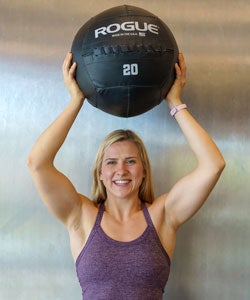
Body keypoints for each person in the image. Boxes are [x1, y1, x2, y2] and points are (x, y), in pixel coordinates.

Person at [27, 52, 225, 299]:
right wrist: (76, 101)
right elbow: (37, 163)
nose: (121, 170)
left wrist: (175, 103)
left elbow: (213, 165)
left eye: (131, 161)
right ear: (100, 173)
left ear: (143, 172)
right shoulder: (81, 215)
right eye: (111, 163)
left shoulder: (163, 215)